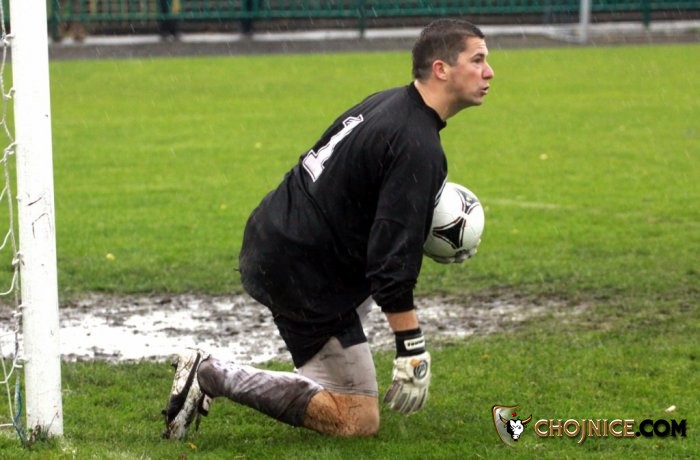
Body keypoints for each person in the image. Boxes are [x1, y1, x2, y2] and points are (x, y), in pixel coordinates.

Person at [162, 17, 494, 439]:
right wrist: (411, 349)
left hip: (281, 234)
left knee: (344, 359)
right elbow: (391, 265)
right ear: (441, 69)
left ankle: (318, 376)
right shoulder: (417, 144)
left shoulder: (390, 103)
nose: (489, 72)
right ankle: (210, 373)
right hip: (301, 268)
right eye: (477, 60)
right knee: (356, 419)